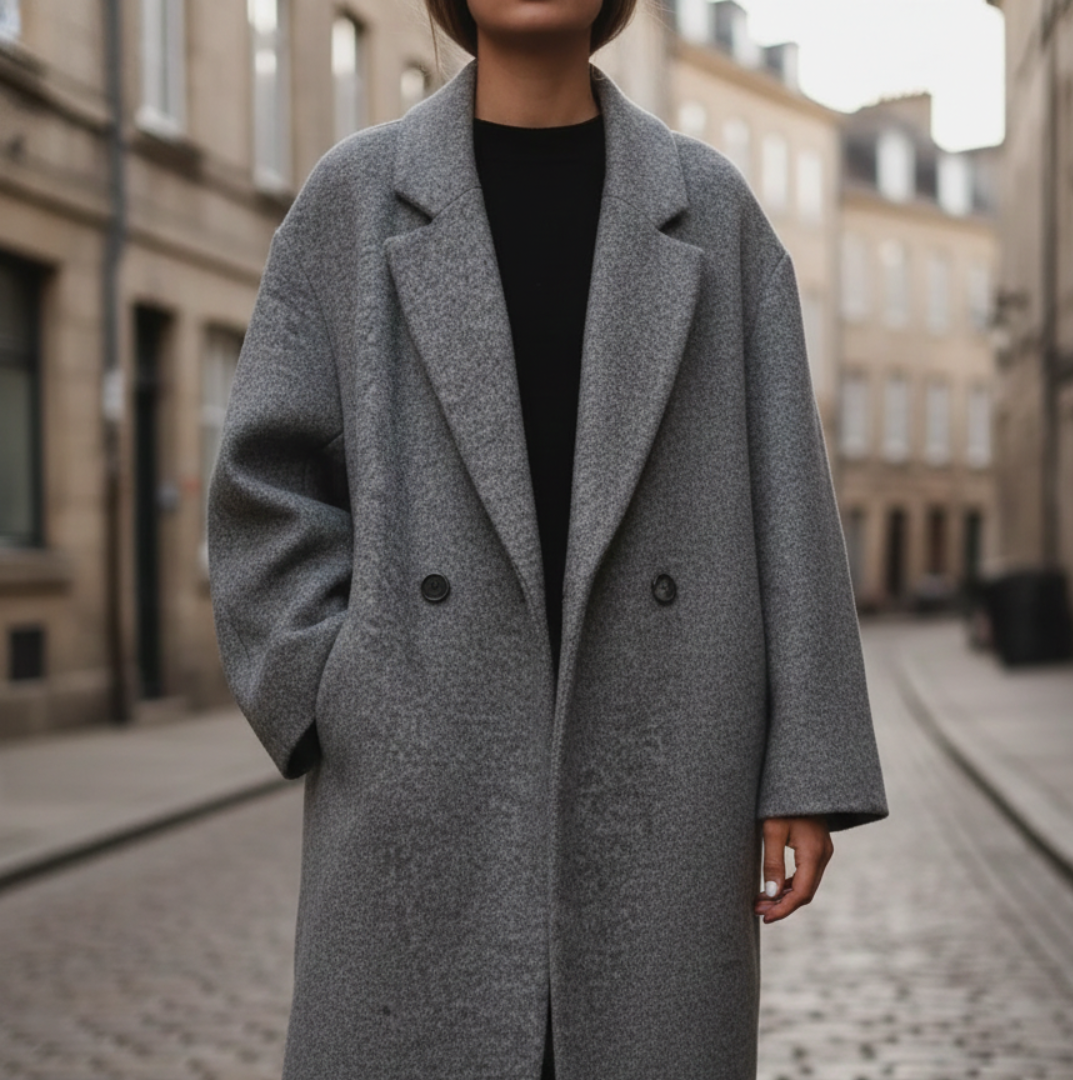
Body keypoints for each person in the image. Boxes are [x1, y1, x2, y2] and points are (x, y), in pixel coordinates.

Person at [207, 0, 889, 1075]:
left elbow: (788, 495)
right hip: (419, 772)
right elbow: (263, 484)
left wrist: (805, 767)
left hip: (669, 764)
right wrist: (337, 686)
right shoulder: (353, 200)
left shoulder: (712, 211)